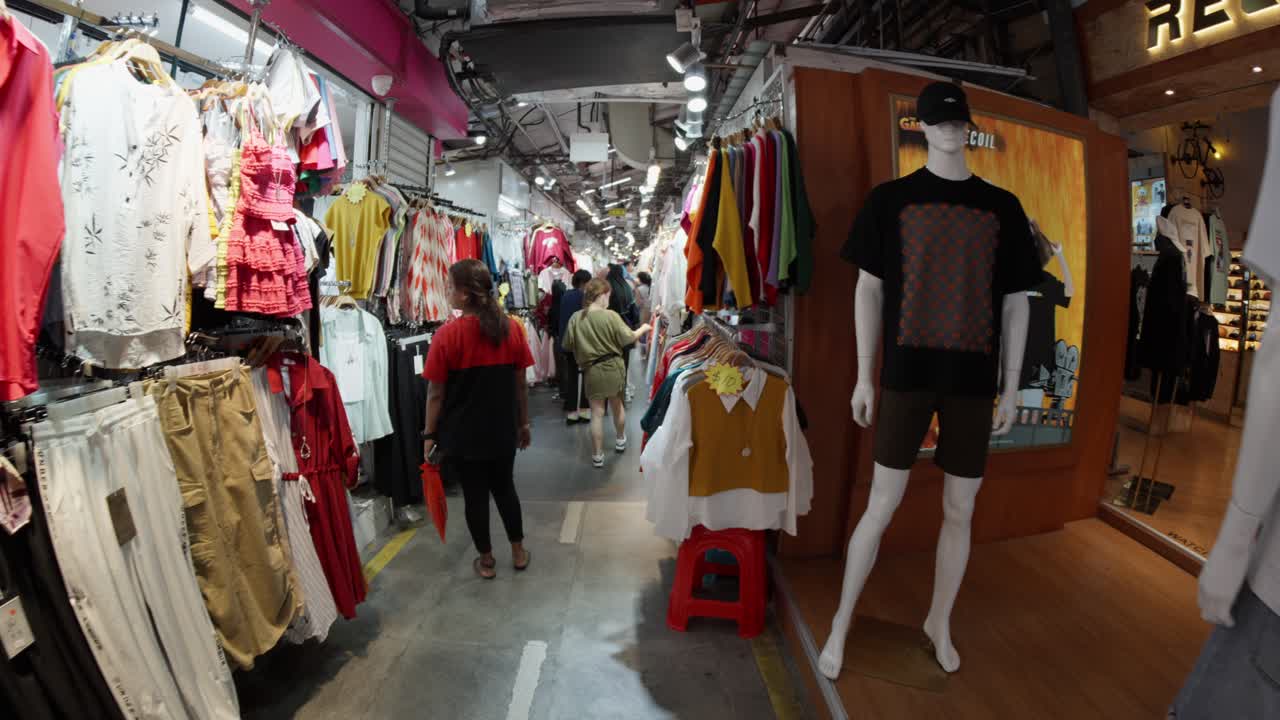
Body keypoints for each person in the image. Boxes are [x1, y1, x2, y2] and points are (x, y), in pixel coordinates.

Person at [423, 259, 534, 579]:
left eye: (450, 287)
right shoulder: (511, 328)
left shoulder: (446, 336)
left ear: (464, 295)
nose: (447, 292)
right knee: (505, 489)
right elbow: (520, 386)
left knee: (475, 496)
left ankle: (486, 560)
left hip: (462, 434)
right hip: (502, 430)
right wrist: (523, 423)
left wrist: (429, 436)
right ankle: (518, 551)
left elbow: (435, 395)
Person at [563, 279, 652, 468]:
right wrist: (643, 328)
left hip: (591, 370)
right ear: (601, 294)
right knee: (617, 406)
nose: (609, 299)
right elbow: (628, 337)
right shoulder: (610, 316)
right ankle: (620, 439)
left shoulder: (576, 317)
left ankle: (597, 455)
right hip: (613, 367)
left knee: (596, 413)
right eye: (608, 295)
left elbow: (567, 345)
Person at [557, 270, 593, 424]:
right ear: (584, 282)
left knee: (571, 376)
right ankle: (584, 411)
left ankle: (571, 412)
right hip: (584, 342)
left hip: (567, 342)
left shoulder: (566, 296)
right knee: (586, 375)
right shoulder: (585, 298)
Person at [605, 263, 640, 402]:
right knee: (624, 362)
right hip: (625, 329)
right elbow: (634, 312)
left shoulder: (606, 289)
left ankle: (609, 391)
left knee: (608, 361)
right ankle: (623, 391)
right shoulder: (627, 288)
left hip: (608, 331)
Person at [635, 271, 654, 360]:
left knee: (643, 331)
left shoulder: (639, 289)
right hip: (654, 311)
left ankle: (644, 353)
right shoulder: (652, 287)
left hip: (644, 311)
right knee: (652, 331)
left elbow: (638, 303)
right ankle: (650, 351)